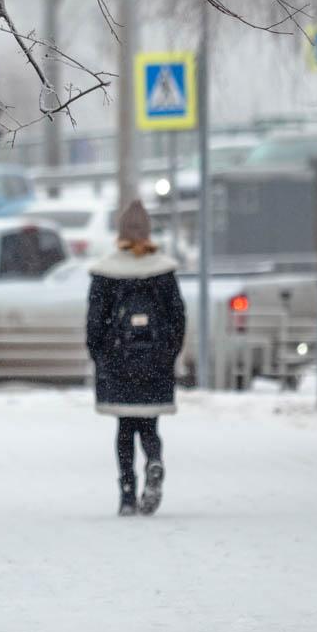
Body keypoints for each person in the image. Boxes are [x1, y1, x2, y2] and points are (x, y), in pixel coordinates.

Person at [86, 200, 186, 516]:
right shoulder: (163, 271)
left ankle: (128, 495)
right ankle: (154, 461)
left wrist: (99, 356)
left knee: (125, 427)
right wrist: (168, 354)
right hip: (155, 361)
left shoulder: (106, 272)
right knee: (149, 424)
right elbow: (178, 318)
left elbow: (94, 321)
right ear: (148, 232)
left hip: (119, 361)